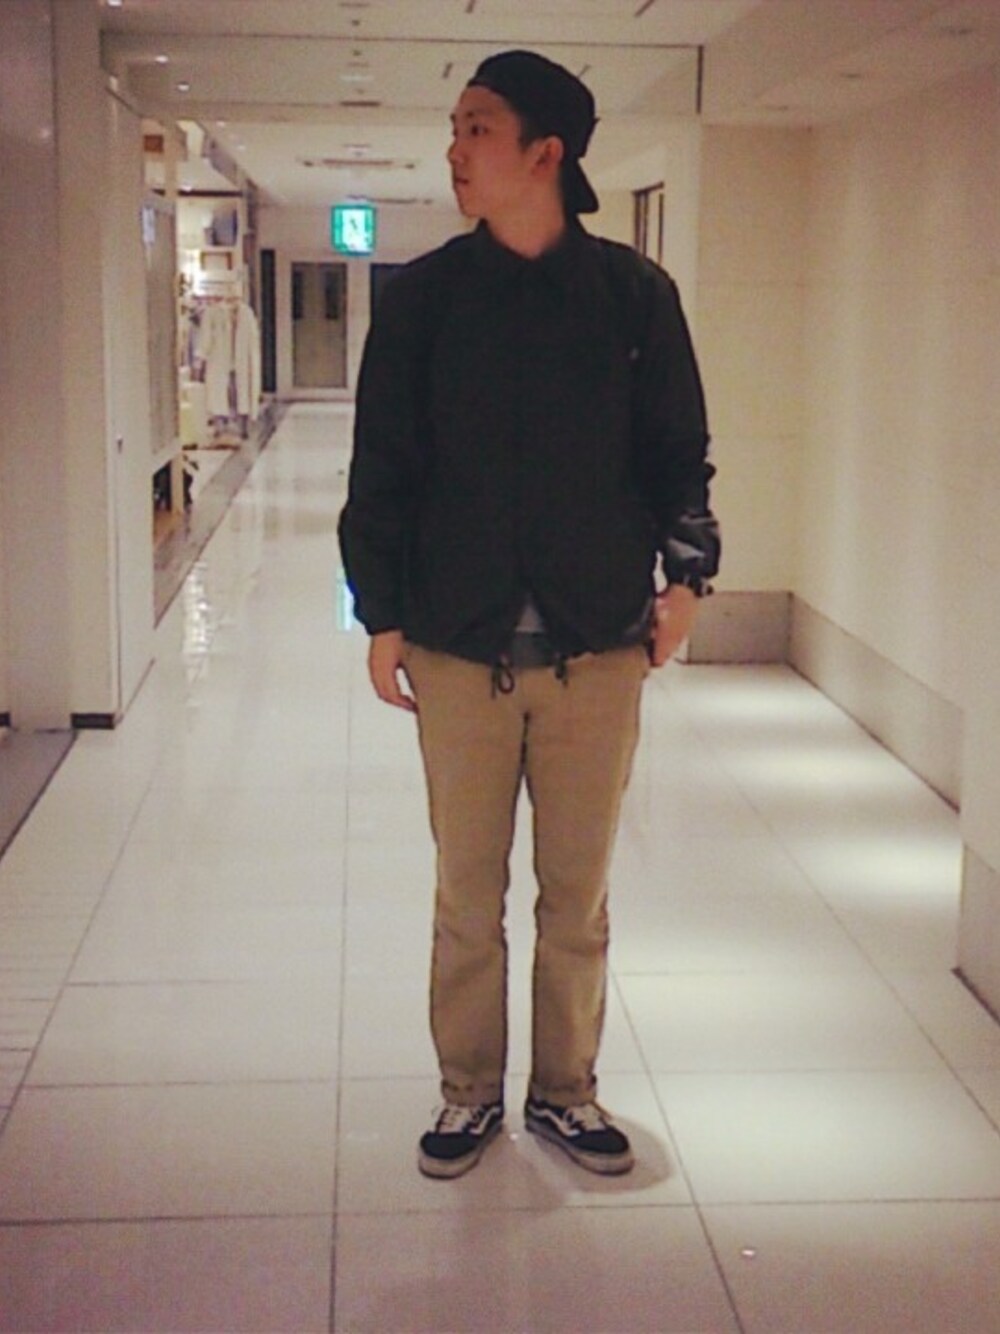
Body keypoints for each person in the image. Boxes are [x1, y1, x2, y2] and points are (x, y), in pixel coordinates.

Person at [339, 49, 720, 1180]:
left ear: (545, 152)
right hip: (457, 646)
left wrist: (687, 578)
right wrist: (381, 612)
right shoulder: (422, 300)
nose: (453, 150)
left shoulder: (633, 298)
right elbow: (382, 467)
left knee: (576, 897)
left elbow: (677, 455)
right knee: (467, 896)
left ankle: (565, 1091)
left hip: (596, 647)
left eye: (477, 128)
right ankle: (468, 1092)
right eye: (454, 127)